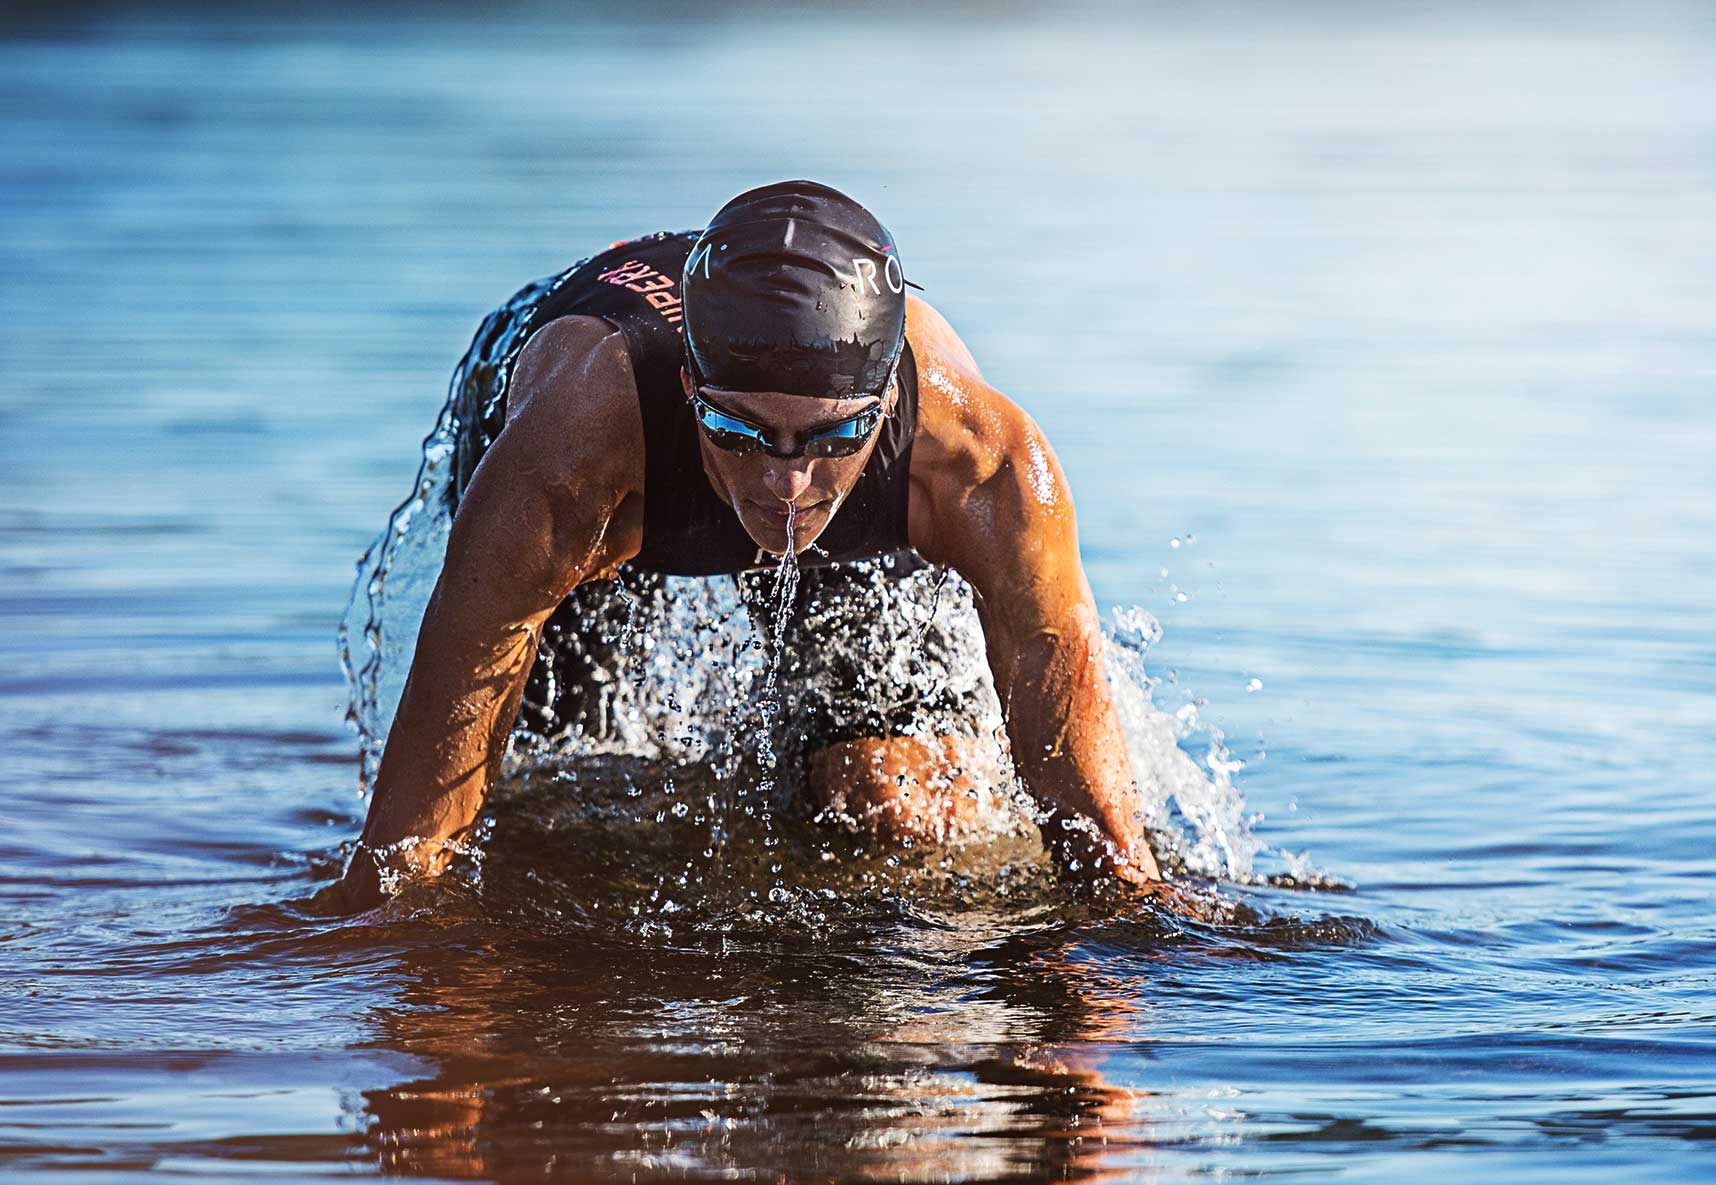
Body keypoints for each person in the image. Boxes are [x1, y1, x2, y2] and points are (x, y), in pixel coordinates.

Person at [325, 180, 1160, 911]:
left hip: (759, 430)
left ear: (883, 406)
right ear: (692, 391)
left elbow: (1109, 845)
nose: (785, 485)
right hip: (583, 408)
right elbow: (404, 859)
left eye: (831, 438)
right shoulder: (568, 451)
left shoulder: (981, 465)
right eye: (740, 428)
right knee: (537, 804)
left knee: (894, 803)